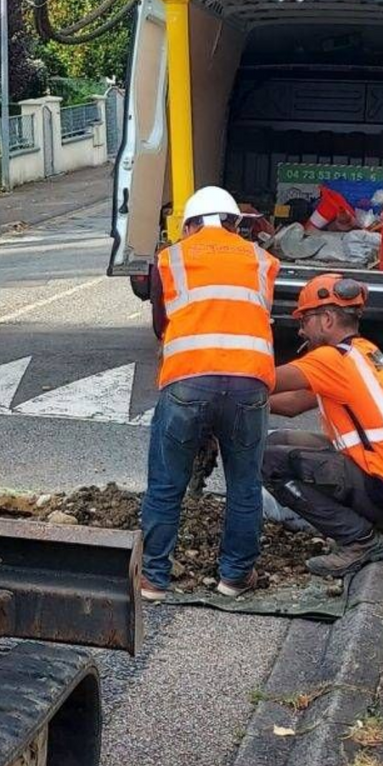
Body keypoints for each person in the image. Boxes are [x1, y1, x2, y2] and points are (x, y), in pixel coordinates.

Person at [141, 186, 279, 602]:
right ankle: (234, 577)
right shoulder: (262, 261)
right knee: (244, 485)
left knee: (166, 485)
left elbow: (161, 324)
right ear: (236, 223)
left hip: (188, 381)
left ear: (189, 225)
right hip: (248, 383)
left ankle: (154, 579)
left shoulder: (171, 259)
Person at [263, 274, 383, 576]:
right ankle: (373, 526)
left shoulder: (331, 359)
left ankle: (360, 540)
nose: (301, 331)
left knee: (266, 461)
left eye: (305, 321)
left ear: (327, 319)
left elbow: (262, 381)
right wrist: (247, 404)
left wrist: (220, 381)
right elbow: (293, 405)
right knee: (276, 442)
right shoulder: (360, 352)